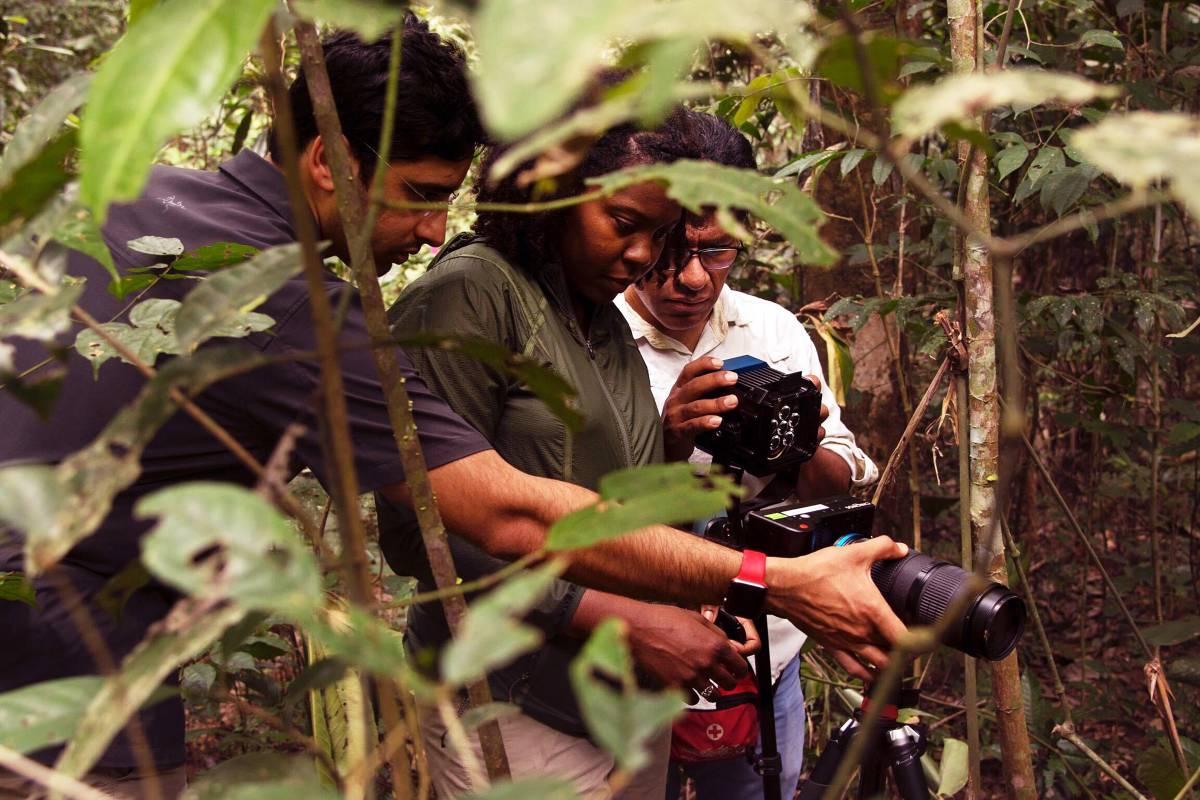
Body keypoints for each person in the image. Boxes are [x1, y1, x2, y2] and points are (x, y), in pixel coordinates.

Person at [0, 19, 906, 800]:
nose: (433, 230)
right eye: (423, 196)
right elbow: (495, 511)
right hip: (59, 664)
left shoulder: (135, 197)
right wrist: (779, 582)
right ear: (327, 163)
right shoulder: (300, 305)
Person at [378, 100, 756, 799]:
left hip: (620, 700)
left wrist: (685, 597)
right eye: (622, 223)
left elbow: (610, 501)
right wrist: (624, 617)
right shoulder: (470, 295)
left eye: (661, 232)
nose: (643, 255)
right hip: (509, 703)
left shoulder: (602, 317)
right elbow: (417, 532)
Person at [614, 111, 880, 800]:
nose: (694, 280)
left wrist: (803, 446)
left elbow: (845, 482)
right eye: (672, 249)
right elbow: (575, 516)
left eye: (720, 250)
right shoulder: (596, 333)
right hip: (637, 659)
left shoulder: (773, 329)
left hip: (768, 659)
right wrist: (671, 434)